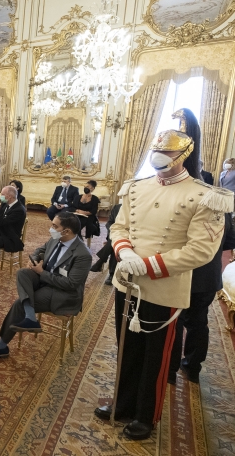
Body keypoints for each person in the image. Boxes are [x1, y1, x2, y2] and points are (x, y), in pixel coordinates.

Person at [94, 128, 232, 441]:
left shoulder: (205, 195)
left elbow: (201, 250)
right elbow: (118, 227)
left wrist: (145, 265)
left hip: (164, 287)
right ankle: (123, 403)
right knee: (127, 346)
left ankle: (146, 414)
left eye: (168, 152)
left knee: (156, 355)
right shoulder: (136, 187)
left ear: (184, 154)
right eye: (157, 150)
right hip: (127, 282)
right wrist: (126, 253)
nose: (160, 156)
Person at [0, 212, 91, 358]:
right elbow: (40, 250)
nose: (51, 229)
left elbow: (71, 284)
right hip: (46, 280)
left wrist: (42, 273)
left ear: (67, 231)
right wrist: (35, 258)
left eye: (54, 226)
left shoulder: (82, 254)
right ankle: (30, 317)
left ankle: (1, 345)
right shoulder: (56, 239)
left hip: (62, 293)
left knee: (19, 304)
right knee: (22, 273)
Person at [169, 212, 232, 384]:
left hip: (182, 273)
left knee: (175, 321)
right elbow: (230, 240)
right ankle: (193, 368)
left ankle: (170, 370)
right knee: (198, 322)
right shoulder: (221, 207)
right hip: (208, 275)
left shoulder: (184, 204)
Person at [90, 202, 122, 285]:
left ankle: (101, 262)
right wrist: (114, 231)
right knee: (114, 244)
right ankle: (111, 274)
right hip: (115, 234)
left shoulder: (138, 209)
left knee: (114, 243)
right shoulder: (117, 207)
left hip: (130, 236)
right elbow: (109, 223)